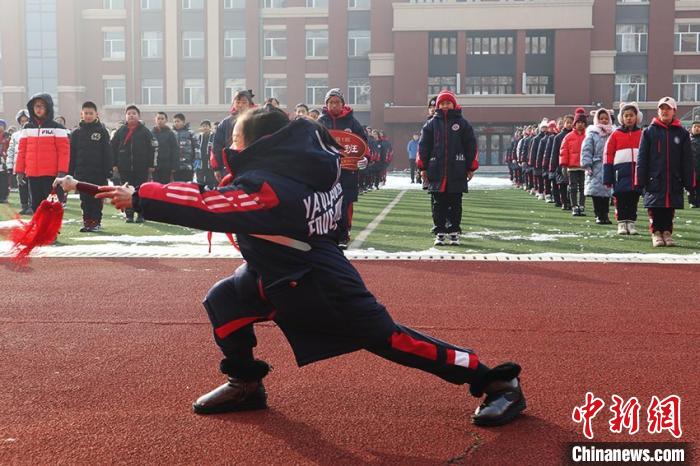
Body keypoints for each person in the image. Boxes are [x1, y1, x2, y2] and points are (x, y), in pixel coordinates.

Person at [58, 106, 525, 427]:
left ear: (260, 142)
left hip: (319, 281)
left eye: (235, 137)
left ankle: (494, 379)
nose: (229, 143)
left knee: (390, 339)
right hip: (276, 271)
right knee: (225, 301)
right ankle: (245, 383)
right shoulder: (310, 166)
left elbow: (212, 205)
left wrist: (140, 196)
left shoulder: (274, 186)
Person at [418, 90, 477, 246]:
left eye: (448, 103)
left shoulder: (463, 124)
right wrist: (423, 167)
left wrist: (471, 167)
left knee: (455, 203)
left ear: (454, 104)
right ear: (438, 105)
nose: (445, 106)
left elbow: (471, 146)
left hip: (457, 171)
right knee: (438, 204)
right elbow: (423, 147)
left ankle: (454, 231)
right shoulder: (431, 124)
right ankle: (440, 231)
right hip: (436, 171)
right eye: (442, 103)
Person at [636, 96, 694, 247]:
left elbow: (687, 160)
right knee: (655, 207)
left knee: (670, 207)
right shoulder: (648, 132)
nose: (664, 111)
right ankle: (656, 233)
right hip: (654, 178)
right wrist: (639, 179)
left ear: (674, 111)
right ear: (658, 111)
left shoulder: (682, 133)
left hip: (674, 178)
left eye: (668, 108)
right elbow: (642, 158)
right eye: (662, 108)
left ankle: (667, 233)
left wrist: (689, 181)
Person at [317, 88, 369, 249]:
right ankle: (326, 235)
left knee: (345, 202)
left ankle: (343, 235)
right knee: (326, 202)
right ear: (326, 104)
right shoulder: (320, 121)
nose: (334, 105)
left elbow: (363, 144)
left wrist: (365, 158)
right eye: (331, 102)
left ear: (343, 104)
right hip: (326, 171)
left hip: (348, 171)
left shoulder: (352, 122)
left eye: (337, 102)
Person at [14, 93, 70, 212]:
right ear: (32, 108)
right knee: (36, 207)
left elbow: (64, 152)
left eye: (42, 106)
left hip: (51, 175)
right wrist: (19, 170)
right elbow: (21, 151)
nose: (38, 109)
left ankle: (52, 230)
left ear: (48, 108)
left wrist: (62, 172)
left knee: (52, 206)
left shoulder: (58, 128)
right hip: (32, 174)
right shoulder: (27, 128)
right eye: (36, 106)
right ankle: (40, 230)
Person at [68, 101, 112, 232]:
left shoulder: (102, 132)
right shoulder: (76, 133)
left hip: (98, 173)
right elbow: (72, 155)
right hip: (81, 173)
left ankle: (96, 222)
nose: (88, 115)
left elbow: (107, 153)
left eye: (90, 113)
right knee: (84, 199)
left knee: (97, 198)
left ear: (96, 114)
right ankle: (87, 221)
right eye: (86, 113)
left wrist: (108, 170)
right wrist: (70, 172)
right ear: (82, 114)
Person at [110, 104, 157, 223]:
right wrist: (114, 164)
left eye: (134, 113)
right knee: (126, 191)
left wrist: (151, 165)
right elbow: (113, 148)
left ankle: (141, 214)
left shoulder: (145, 131)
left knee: (140, 190)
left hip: (141, 167)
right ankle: (129, 214)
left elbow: (152, 149)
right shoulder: (120, 131)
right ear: (126, 116)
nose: (131, 115)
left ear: (138, 116)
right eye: (129, 114)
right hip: (124, 167)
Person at [604, 102, 643, 235]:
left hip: (636, 173)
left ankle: (631, 223)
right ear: (622, 118)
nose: (629, 118)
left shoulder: (642, 134)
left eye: (631, 115)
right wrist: (607, 175)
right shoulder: (615, 134)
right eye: (626, 116)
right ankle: (621, 223)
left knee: (633, 199)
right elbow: (608, 155)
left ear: (636, 117)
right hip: (619, 173)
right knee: (620, 199)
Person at [212, 89, 255, 183]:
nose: (240, 105)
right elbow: (217, 146)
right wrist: (216, 168)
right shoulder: (225, 123)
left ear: (250, 104)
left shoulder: (256, 121)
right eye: (238, 102)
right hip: (229, 166)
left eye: (244, 102)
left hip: (252, 165)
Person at [581, 108, 614, 225]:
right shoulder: (592, 134)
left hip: (609, 165)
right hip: (596, 166)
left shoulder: (613, 133)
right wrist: (586, 164)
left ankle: (605, 214)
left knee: (607, 192)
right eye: (601, 118)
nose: (604, 120)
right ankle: (598, 215)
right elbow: (586, 150)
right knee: (597, 193)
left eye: (606, 118)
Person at [560, 110, 588, 216]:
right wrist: (564, 165)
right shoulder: (568, 137)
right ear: (574, 124)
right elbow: (563, 152)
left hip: (584, 166)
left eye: (582, 122)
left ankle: (581, 205)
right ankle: (574, 206)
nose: (580, 124)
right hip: (572, 167)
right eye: (578, 122)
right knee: (572, 187)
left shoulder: (588, 136)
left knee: (583, 187)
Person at [6, 109, 32, 214]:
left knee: (31, 186)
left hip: (31, 164)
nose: (24, 122)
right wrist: (9, 165)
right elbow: (11, 150)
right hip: (19, 165)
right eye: (22, 121)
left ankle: (31, 205)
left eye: (26, 120)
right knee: (21, 186)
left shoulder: (33, 133)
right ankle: (24, 205)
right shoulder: (15, 135)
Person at [549, 114, 574, 210]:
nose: (569, 125)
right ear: (564, 124)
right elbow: (554, 153)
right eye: (567, 122)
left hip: (573, 164)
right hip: (561, 164)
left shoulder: (576, 136)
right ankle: (564, 202)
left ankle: (571, 202)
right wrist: (552, 166)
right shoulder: (558, 137)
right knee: (562, 184)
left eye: (571, 123)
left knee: (572, 185)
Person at [151, 112, 179, 184]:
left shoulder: (170, 133)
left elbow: (175, 150)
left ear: (166, 120)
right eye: (158, 118)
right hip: (154, 165)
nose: (160, 120)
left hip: (167, 165)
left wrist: (174, 166)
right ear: (155, 120)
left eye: (162, 119)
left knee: (165, 185)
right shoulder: (151, 133)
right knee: (155, 186)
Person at [172, 113, 199, 183]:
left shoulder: (190, 133)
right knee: (176, 187)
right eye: (174, 122)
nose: (176, 123)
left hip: (188, 166)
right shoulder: (171, 133)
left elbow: (196, 147)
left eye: (178, 121)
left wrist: (197, 159)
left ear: (183, 122)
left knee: (187, 187)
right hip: (175, 167)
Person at [196, 120, 216, 189]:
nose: (205, 128)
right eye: (203, 126)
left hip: (210, 163)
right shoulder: (198, 137)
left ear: (210, 127)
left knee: (210, 181)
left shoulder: (214, 137)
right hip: (200, 163)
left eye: (206, 126)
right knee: (200, 182)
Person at [688, 120, 700, 208]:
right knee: (690, 186)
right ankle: (692, 201)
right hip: (690, 168)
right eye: (695, 127)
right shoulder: (687, 140)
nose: (697, 128)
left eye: (699, 127)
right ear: (691, 129)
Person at [0, 120, 9, 203]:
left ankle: (4, 196)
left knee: (4, 179)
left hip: (4, 160)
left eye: (1, 125)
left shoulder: (7, 136)